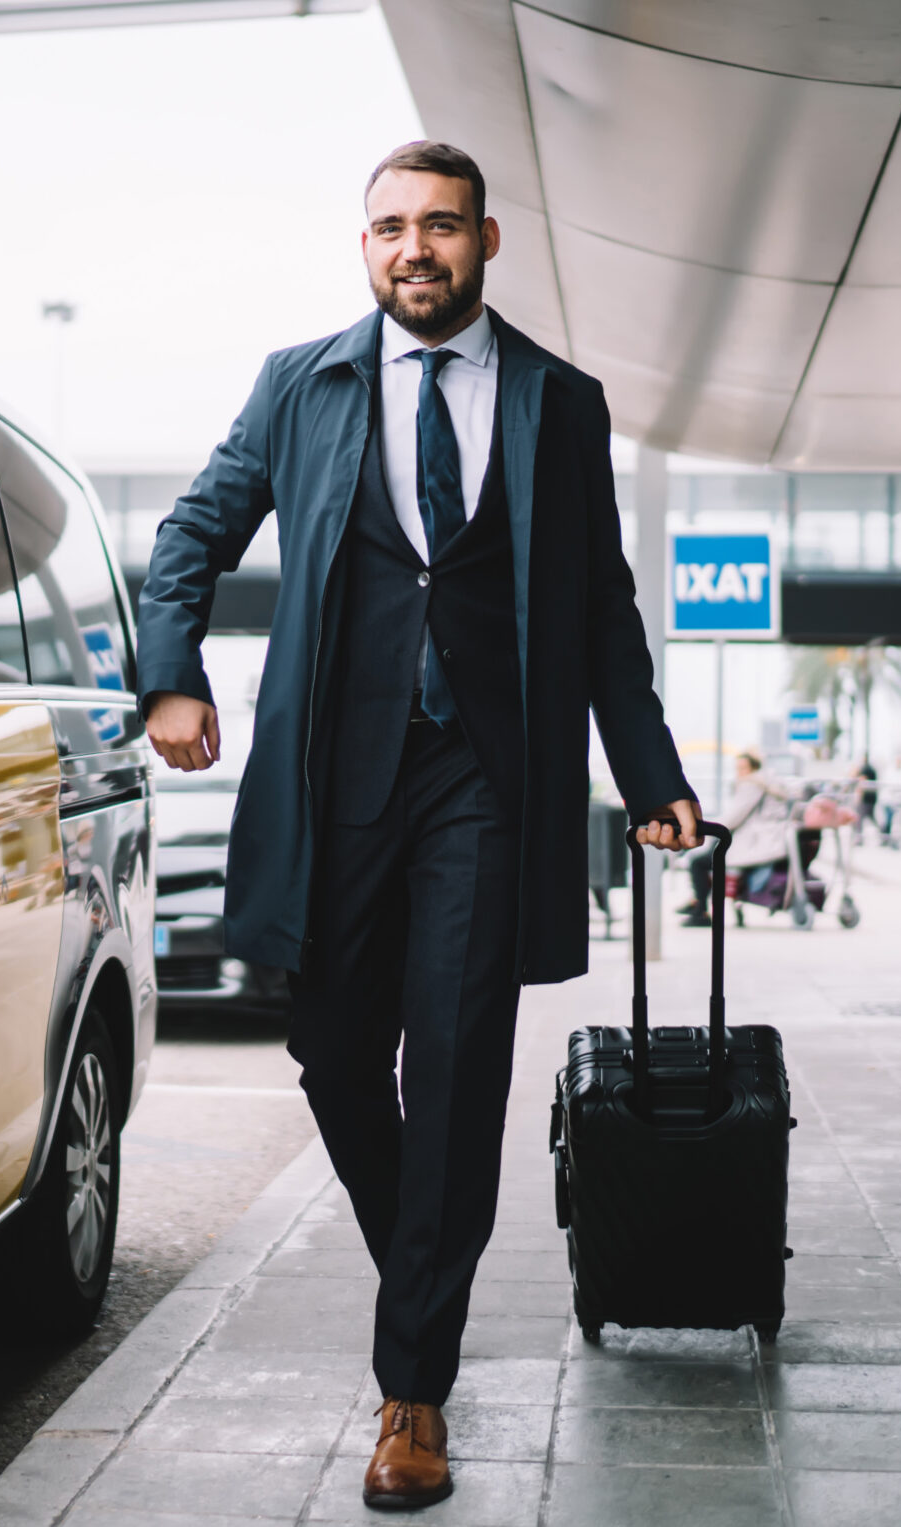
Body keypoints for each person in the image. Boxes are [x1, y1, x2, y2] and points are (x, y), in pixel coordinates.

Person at [136, 141, 697, 1510]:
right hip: (339, 774)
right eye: (389, 228)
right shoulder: (301, 383)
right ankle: (427, 1267)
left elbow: (600, 611)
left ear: (486, 240)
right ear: (364, 244)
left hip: (487, 784)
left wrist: (653, 768)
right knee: (332, 1051)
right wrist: (169, 672)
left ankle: (415, 1391)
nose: (413, 251)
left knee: (452, 1069)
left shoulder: (562, 405)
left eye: (439, 226)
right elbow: (190, 534)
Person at [684, 751, 794, 926]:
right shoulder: (765, 782)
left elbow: (734, 817)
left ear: (753, 768)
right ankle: (696, 903)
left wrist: (702, 827)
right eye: (737, 768)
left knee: (698, 862)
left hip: (754, 844)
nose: (739, 772)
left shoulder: (752, 784)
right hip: (764, 842)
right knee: (705, 857)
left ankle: (700, 911)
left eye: (743, 768)